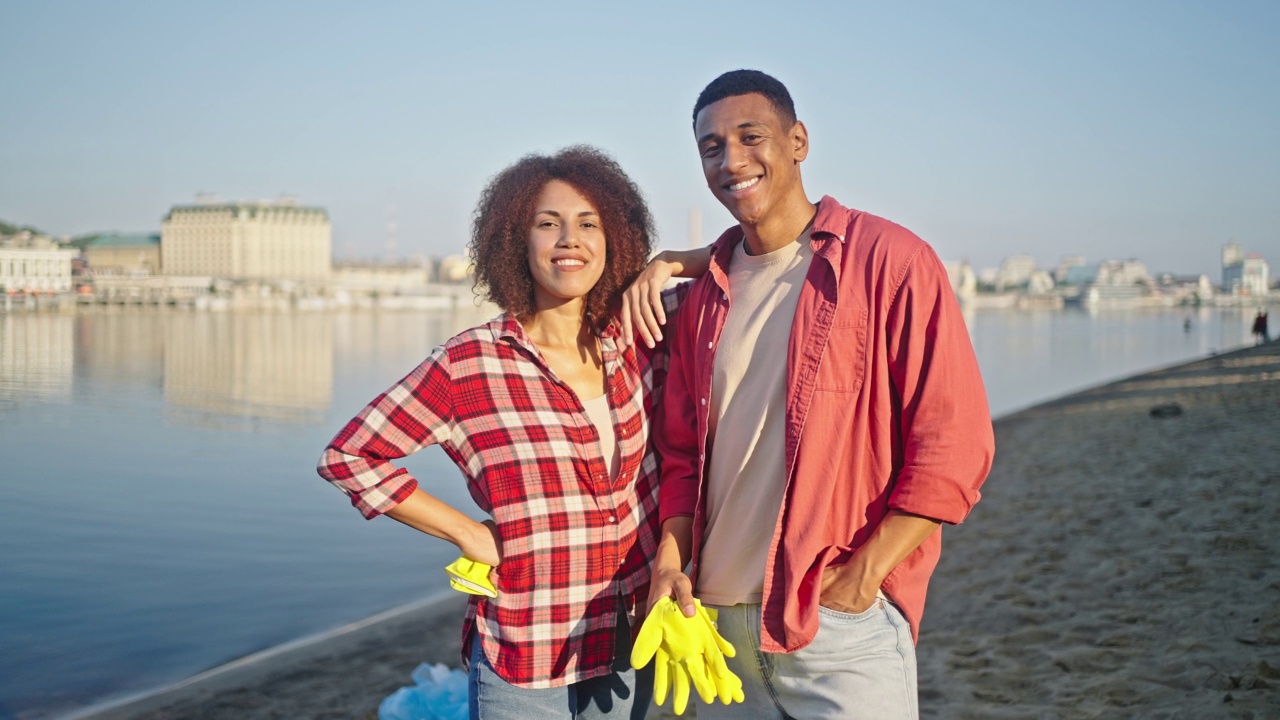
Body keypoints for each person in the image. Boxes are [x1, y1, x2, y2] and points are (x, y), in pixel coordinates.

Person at [645, 70, 996, 719]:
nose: (731, 161)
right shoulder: (701, 297)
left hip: (835, 623)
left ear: (798, 140)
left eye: (751, 137)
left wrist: (865, 578)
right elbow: (681, 455)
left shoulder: (889, 261)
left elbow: (955, 444)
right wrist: (671, 557)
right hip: (713, 632)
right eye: (711, 147)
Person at [317, 146, 708, 720]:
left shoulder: (641, 333)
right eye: (547, 224)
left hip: (632, 640)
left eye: (589, 223)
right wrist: (465, 534)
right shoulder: (469, 363)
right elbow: (350, 455)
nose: (569, 239)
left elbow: (746, 264)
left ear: (615, 239)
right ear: (516, 244)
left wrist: (670, 261)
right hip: (526, 657)